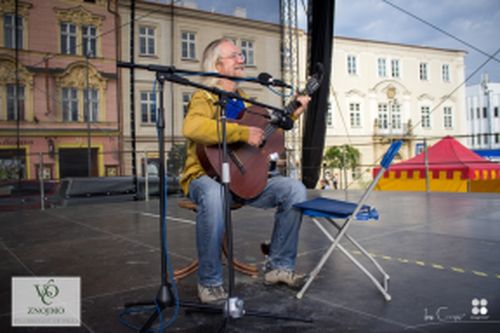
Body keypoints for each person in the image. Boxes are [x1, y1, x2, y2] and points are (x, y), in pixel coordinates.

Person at [180, 38, 311, 304]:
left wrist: (293, 111)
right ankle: (210, 282)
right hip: (204, 178)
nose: (242, 59)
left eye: (242, 55)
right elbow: (191, 128)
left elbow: (264, 131)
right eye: (235, 55)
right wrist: (241, 132)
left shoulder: (243, 100)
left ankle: (279, 267)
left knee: (293, 189)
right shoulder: (203, 96)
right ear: (217, 64)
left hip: (242, 180)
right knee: (215, 195)